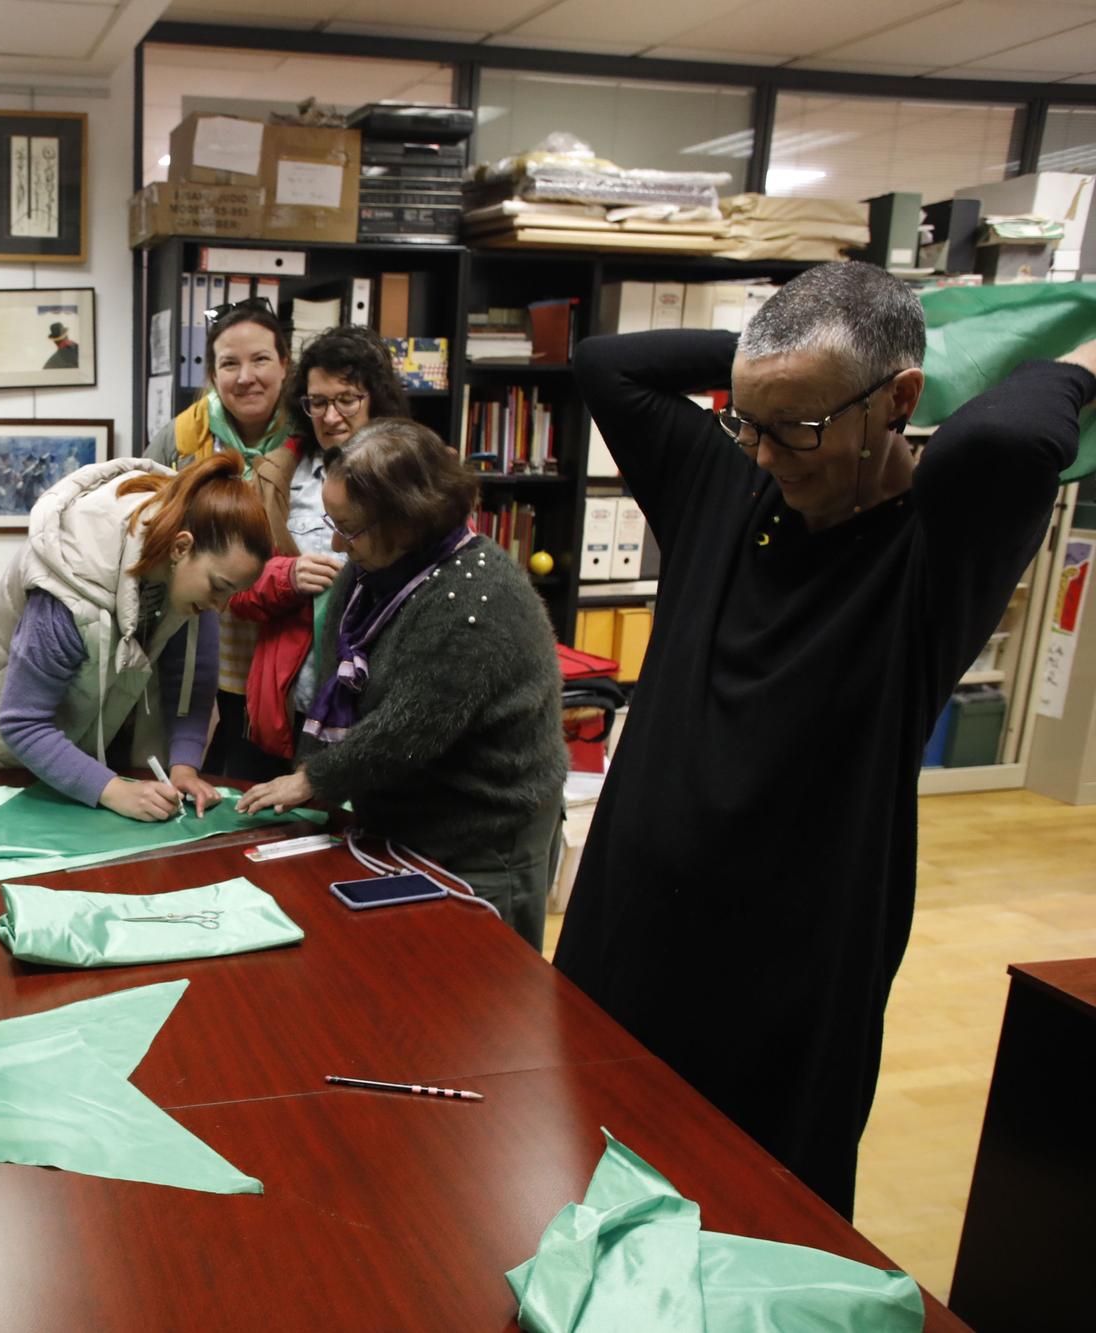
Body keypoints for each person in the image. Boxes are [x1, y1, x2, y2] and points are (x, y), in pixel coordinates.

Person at [551, 261, 1096, 1219]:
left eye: (798, 426)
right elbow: (608, 364)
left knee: (750, 1210)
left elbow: (1004, 435)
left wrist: (1068, 355)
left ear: (900, 400)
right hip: (627, 927)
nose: (764, 453)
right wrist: (775, 367)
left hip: (791, 962)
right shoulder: (722, 482)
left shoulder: (935, 550)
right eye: (746, 419)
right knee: (579, 1160)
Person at [238, 420, 566, 947]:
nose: (339, 543)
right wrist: (315, 770)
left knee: (482, 986)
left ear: (410, 520)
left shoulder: (479, 598)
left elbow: (410, 726)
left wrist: (314, 780)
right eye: (334, 522)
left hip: (484, 829)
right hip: (402, 812)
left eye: (352, 528)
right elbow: (337, 676)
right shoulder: (370, 569)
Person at [0, 453, 272, 821]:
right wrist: (113, 790)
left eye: (231, 595)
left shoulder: (194, 577)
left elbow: (191, 683)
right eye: (219, 588)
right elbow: (22, 723)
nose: (219, 606)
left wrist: (184, 766)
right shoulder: (69, 584)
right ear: (181, 547)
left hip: (72, 757)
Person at [229, 325, 413, 763]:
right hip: (294, 706)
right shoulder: (277, 478)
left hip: (381, 705)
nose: (331, 417)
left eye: (347, 399)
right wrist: (285, 576)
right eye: (318, 402)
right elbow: (234, 591)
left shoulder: (416, 476)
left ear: (377, 398)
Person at [148, 299, 304, 779]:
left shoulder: (314, 435)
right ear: (213, 375)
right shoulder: (182, 438)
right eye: (229, 364)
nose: (245, 376)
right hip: (200, 641)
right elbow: (149, 529)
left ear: (284, 364)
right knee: (205, 769)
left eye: (260, 359)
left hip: (289, 644)